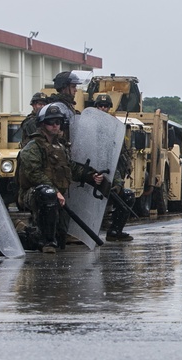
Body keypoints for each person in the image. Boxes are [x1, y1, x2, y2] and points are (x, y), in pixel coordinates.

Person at [16, 104, 104, 253]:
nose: (55, 126)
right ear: (42, 124)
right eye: (51, 122)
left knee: (60, 238)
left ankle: (20, 235)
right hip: (34, 193)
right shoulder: (33, 147)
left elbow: (71, 169)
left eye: (58, 122)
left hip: (57, 195)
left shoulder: (60, 147)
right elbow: (34, 174)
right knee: (47, 194)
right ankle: (47, 243)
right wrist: (55, 191)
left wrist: (90, 176)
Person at [94, 93, 135, 241]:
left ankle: (115, 231)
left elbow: (120, 152)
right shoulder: (89, 125)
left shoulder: (116, 126)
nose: (103, 108)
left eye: (106, 106)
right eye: (100, 106)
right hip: (92, 170)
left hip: (111, 170)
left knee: (126, 197)